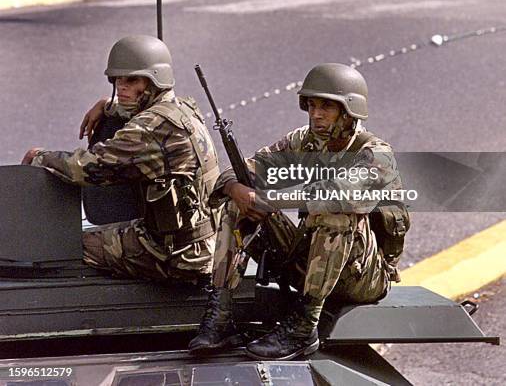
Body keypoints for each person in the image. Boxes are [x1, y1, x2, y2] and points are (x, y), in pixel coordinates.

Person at [188, 63, 408, 360]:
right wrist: (237, 189)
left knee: (335, 211)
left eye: (326, 107)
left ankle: (304, 327)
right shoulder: (304, 141)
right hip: (312, 264)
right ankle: (221, 314)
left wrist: (269, 200)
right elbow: (251, 168)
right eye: (312, 105)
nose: (316, 114)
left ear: (349, 111)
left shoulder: (376, 154)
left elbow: (334, 193)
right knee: (237, 206)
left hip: (362, 277)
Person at [22, 35, 220, 285]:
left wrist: (39, 157)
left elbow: (88, 168)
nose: (121, 87)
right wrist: (107, 106)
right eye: (117, 80)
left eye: (131, 80)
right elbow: (139, 114)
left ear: (154, 81)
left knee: (64, 245)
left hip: (176, 255)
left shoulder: (150, 130)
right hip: (203, 241)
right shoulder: (183, 109)